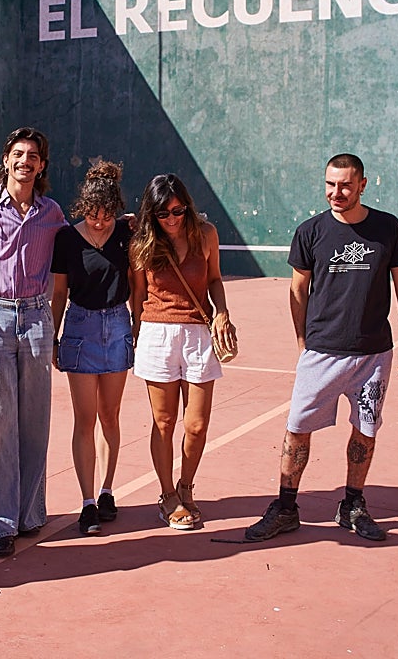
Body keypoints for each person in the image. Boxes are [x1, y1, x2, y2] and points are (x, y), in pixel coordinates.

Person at [245, 153, 398, 543]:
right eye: (329, 184)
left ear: (362, 184)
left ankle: (352, 504)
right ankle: (286, 507)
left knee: (366, 430)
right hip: (322, 352)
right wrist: (303, 342)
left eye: (344, 185)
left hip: (374, 354)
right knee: (297, 430)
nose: (335, 192)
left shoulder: (387, 228)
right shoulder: (310, 231)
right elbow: (297, 289)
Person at [0, 127, 67, 557]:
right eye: (18, 154)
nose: (26, 161)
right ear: (5, 160)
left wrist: (122, 225)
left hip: (38, 319)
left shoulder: (52, 213)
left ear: (41, 165)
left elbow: (82, 237)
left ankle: (27, 516)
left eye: (34, 156)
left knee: (33, 421)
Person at [129, 173, 236, 531]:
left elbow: (215, 279)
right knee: (164, 422)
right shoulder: (142, 243)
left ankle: (186, 487)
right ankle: (167, 495)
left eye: (178, 210)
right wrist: (136, 334)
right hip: (157, 334)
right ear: (152, 214)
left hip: (197, 334)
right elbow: (138, 295)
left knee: (197, 424)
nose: (172, 219)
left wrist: (221, 311)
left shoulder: (206, 235)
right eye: (163, 213)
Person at [49, 160, 133, 536]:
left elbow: (138, 282)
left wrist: (139, 326)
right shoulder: (66, 239)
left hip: (118, 326)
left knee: (110, 415)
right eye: (93, 215)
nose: (100, 222)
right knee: (84, 419)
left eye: (106, 215)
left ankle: (106, 491)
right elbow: (58, 293)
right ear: (83, 208)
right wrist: (52, 336)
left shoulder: (128, 233)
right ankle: (86, 503)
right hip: (80, 327)